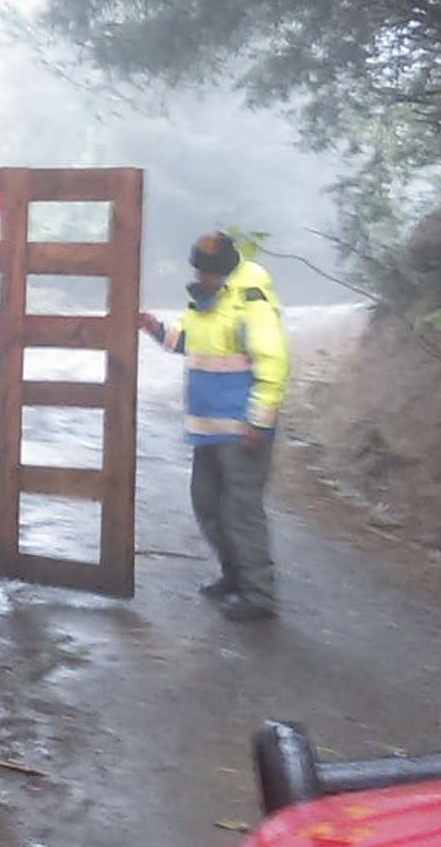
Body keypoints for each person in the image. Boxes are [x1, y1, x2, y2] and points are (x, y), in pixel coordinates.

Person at [138, 232, 289, 621]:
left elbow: (273, 363)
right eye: (198, 270)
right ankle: (234, 576)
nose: (199, 277)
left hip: (242, 430)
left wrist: (259, 422)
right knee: (206, 503)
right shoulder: (205, 302)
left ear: (224, 271)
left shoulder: (250, 302)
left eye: (205, 271)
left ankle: (258, 594)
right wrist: (154, 328)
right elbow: (186, 342)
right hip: (207, 429)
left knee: (241, 511)